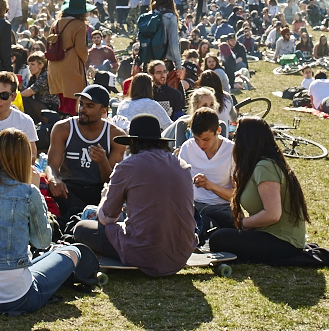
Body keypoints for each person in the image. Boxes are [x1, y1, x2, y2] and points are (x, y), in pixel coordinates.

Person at [0, 128, 84, 313]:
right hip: (18, 297)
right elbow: (43, 242)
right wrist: (36, 194)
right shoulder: (28, 193)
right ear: (25, 158)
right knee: (72, 251)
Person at [71, 113, 197, 276]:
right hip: (182, 253)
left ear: (132, 142)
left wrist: (104, 196)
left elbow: (106, 218)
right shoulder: (182, 165)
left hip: (144, 252)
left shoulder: (128, 166)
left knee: (82, 229)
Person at [208, 116, 310, 264]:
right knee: (216, 215)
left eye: (236, 136)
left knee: (218, 239)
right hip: (264, 232)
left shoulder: (265, 167)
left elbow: (273, 214)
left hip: (283, 241)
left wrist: (245, 223)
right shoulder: (257, 164)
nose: (234, 141)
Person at [45, 84, 125, 220]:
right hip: (69, 190)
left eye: (90, 106)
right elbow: (51, 166)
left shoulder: (116, 136)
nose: (82, 109)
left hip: (99, 190)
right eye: (81, 104)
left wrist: (103, 161)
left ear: (103, 111)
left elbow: (111, 181)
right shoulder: (62, 128)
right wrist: (54, 180)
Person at [176, 107, 235, 243]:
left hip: (222, 207)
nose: (201, 144)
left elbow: (236, 196)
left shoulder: (232, 151)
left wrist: (211, 186)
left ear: (218, 131)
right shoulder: (188, 148)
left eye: (206, 139)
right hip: (194, 205)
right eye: (197, 139)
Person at [47, 0, 92, 115]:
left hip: (54, 66)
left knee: (62, 103)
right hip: (70, 67)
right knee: (74, 105)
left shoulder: (55, 23)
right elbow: (81, 49)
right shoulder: (79, 25)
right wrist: (85, 59)